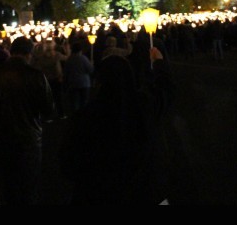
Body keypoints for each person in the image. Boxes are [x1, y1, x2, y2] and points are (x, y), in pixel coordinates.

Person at [60, 47, 174, 204]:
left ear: (99, 81)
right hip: (144, 191)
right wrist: (159, 63)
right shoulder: (144, 106)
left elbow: (68, 163)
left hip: (100, 194)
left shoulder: (85, 117)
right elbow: (165, 90)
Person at [0, 36, 54, 204]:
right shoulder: (36, 76)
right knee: (28, 186)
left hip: (2, 137)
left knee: (8, 185)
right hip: (29, 139)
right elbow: (48, 109)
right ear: (29, 54)